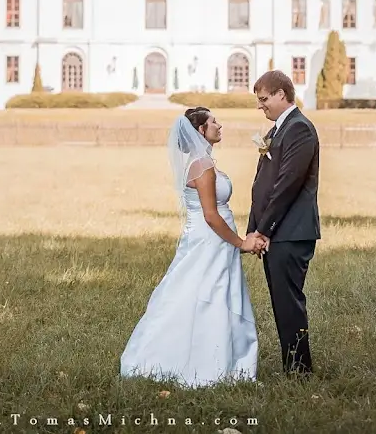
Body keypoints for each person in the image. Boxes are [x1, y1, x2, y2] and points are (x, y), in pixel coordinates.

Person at [120, 107, 264, 387]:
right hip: (210, 240)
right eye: (213, 122)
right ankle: (206, 362)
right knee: (208, 294)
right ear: (200, 131)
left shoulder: (203, 162)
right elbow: (211, 215)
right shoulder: (203, 166)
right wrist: (241, 243)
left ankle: (222, 357)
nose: (219, 126)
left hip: (211, 239)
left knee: (208, 293)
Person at [243, 71, 321, 376]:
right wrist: (254, 228)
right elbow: (262, 183)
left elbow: (287, 185)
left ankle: (300, 370)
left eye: (264, 99)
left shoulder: (299, 129)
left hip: (291, 232)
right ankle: (292, 365)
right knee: (281, 302)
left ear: (281, 94)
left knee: (289, 304)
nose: (260, 106)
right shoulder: (279, 129)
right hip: (277, 231)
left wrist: (264, 229)